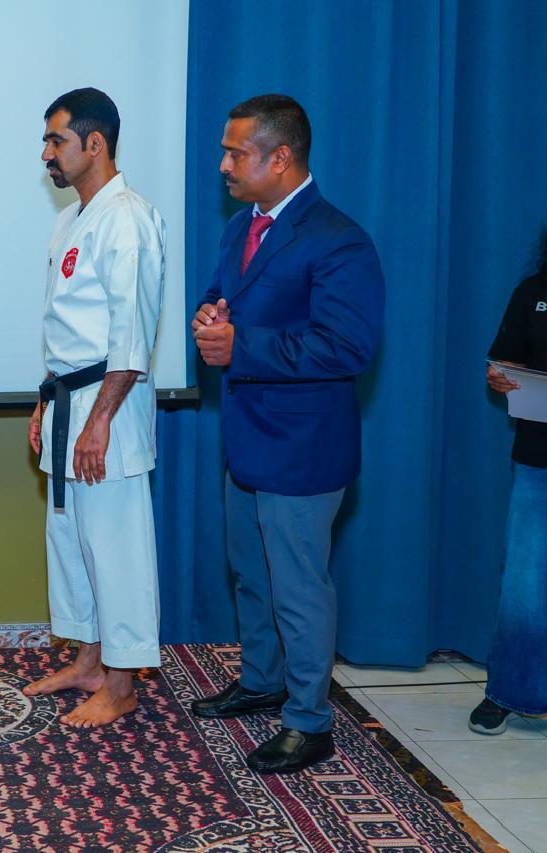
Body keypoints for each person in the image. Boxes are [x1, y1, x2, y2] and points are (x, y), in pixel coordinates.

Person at [190, 94, 384, 774]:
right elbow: (221, 298)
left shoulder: (338, 238)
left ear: (280, 157)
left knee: (299, 589)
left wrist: (240, 345)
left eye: (235, 153)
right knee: (252, 575)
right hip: (247, 438)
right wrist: (209, 317)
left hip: (303, 450)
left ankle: (309, 721)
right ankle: (263, 682)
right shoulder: (242, 225)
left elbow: (348, 346)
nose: (223, 165)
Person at [22, 88, 166, 728]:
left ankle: (123, 682)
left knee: (115, 546)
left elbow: (131, 335)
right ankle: (89, 662)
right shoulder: (72, 219)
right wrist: (44, 402)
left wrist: (100, 420)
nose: (46, 154)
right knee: (72, 541)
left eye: (56, 141)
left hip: (110, 402)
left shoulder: (127, 219)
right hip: (67, 396)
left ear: (95, 143)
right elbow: (68, 330)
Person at [470, 228, 547, 735]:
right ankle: (510, 691)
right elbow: (503, 360)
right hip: (539, 458)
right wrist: (500, 376)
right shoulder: (533, 291)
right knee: (525, 582)